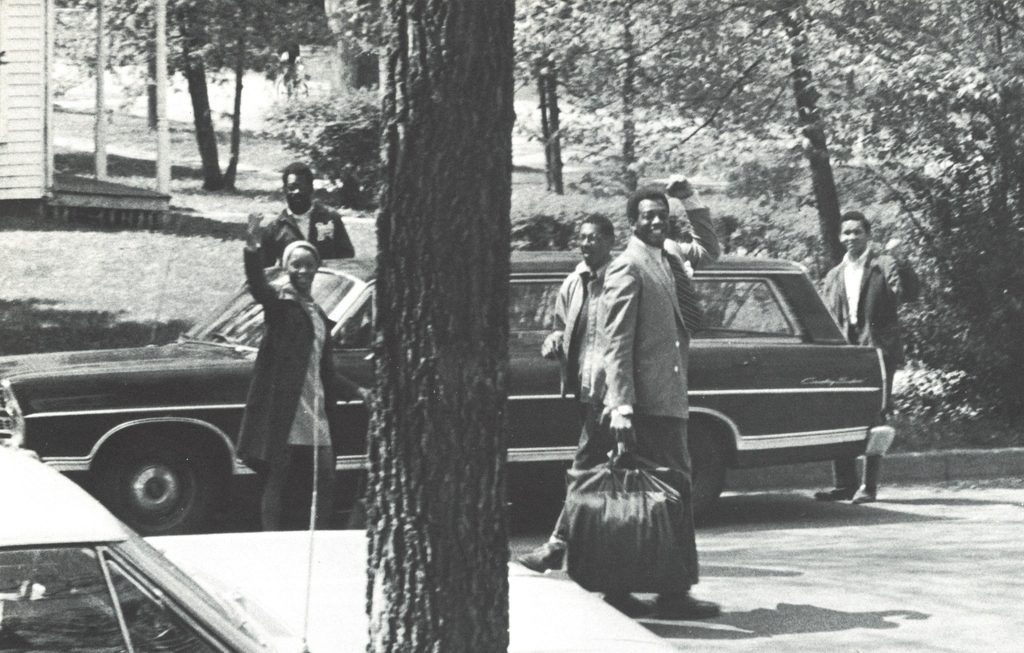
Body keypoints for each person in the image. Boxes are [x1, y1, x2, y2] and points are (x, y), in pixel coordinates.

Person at [601, 182, 721, 619]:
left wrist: (690, 201)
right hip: (647, 404)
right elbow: (615, 343)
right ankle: (671, 593)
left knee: (654, 497)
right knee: (664, 495)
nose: (655, 221)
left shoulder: (668, 254)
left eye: (661, 215)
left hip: (668, 397)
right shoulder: (628, 267)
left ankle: (621, 587)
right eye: (647, 215)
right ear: (632, 221)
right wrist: (622, 406)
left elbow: (710, 250)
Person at [238, 213, 359, 530]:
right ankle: (272, 541)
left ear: (316, 268)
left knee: (327, 476)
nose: (303, 271)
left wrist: (359, 391)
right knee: (277, 476)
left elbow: (324, 368)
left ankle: (318, 536)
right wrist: (253, 244)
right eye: (296, 265)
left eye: (308, 265)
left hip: (314, 405)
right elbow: (257, 284)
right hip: (287, 407)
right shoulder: (280, 304)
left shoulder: (317, 313)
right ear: (287, 268)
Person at [516, 214, 617, 573]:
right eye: (583, 238)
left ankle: (557, 545)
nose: (586, 244)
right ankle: (599, 554)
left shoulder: (620, 281)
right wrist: (554, 340)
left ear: (609, 241)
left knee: (585, 466)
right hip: (585, 390)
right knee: (601, 470)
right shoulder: (574, 282)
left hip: (612, 393)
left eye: (593, 238)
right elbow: (561, 326)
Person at [815, 210, 903, 504]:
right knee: (840, 411)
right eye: (846, 233)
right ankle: (845, 483)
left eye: (857, 232)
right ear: (840, 238)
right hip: (845, 352)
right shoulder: (834, 275)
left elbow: (907, 292)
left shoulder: (882, 265)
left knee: (874, 414)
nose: (851, 237)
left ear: (868, 235)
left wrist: (900, 261)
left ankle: (869, 486)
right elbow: (827, 314)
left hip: (876, 352)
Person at [259, 162, 355, 267]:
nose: (297, 192)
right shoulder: (275, 228)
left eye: (302, 186)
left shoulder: (330, 218)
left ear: (311, 188)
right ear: (285, 190)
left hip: (324, 280)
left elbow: (346, 257)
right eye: (292, 187)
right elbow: (266, 269)